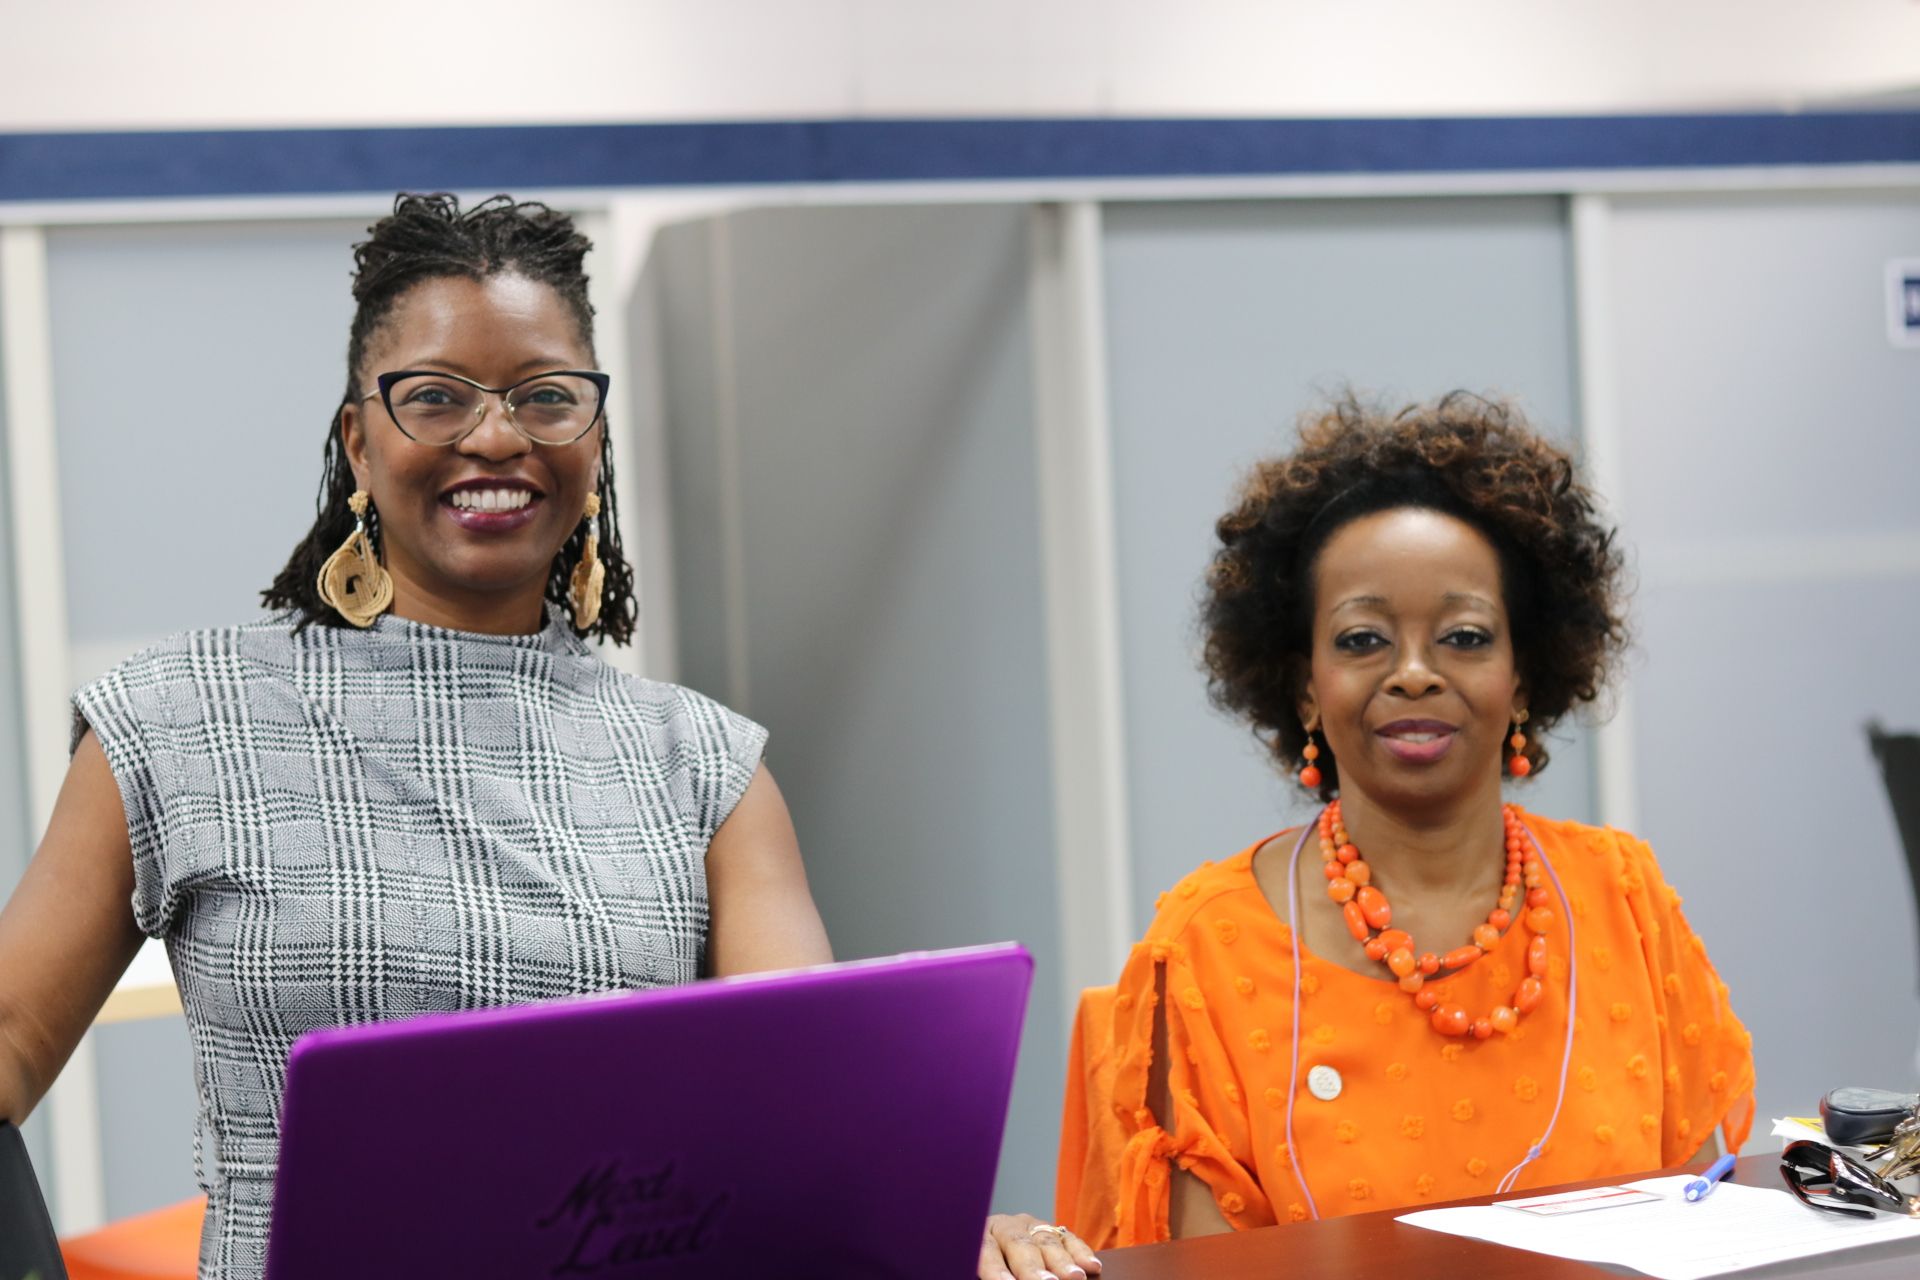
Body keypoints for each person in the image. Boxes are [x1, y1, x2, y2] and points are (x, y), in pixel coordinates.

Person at [0, 194, 832, 1279]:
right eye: (435, 397)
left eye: (546, 396)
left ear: (594, 435)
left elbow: (810, 1114)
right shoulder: (176, 718)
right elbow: (10, 1044)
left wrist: (953, 1221)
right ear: (358, 439)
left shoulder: (703, 766)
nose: (495, 437)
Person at [979, 393, 1753, 1279]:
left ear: (1522, 674)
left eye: (1464, 636)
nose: (1414, 673)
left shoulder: (1622, 894)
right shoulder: (1205, 947)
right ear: (1305, 686)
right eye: (1362, 640)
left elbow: (1707, 1222)